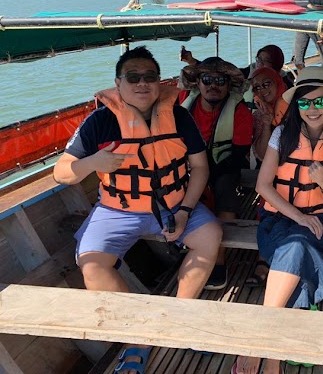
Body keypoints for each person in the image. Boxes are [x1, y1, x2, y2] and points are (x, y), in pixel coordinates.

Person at [53, 46, 222, 374]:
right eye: (133, 77)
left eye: (150, 77)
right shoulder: (100, 121)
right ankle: (141, 334)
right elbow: (61, 173)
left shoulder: (180, 116)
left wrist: (186, 210)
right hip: (119, 209)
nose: (142, 83)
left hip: (174, 204)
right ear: (118, 84)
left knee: (211, 235)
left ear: (160, 83)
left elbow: (200, 168)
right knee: (90, 262)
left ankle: (179, 315)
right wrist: (93, 162)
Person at [233, 67, 323, 374]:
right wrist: (298, 215)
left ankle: (261, 345)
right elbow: (263, 186)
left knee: (299, 243)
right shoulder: (280, 134)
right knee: (296, 242)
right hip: (281, 218)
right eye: (304, 103)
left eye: (319, 102)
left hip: (322, 221)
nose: (312, 109)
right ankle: (272, 352)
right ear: (296, 105)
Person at [179, 57, 253, 291]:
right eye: (207, 79)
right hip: (188, 165)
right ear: (197, 83)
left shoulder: (240, 112)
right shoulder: (183, 105)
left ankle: (219, 260)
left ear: (228, 85)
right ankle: (183, 244)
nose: (214, 85)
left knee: (224, 186)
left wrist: (207, 176)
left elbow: (239, 154)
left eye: (220, 80)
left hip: (224, 168)